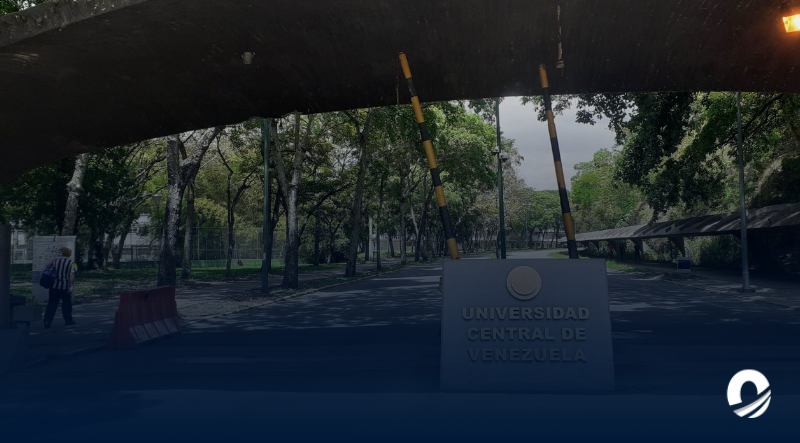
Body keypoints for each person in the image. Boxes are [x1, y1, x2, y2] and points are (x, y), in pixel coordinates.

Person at [43, 247, 77, 329]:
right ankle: (68, 320)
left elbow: (47, 267)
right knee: (67, 305)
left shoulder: (54, 260)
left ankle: (47, 321)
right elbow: (72, 274)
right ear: (69, 253)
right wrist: (71, 286)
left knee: (51, 304)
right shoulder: (72, 262)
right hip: (65, 287)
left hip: (54, 286)